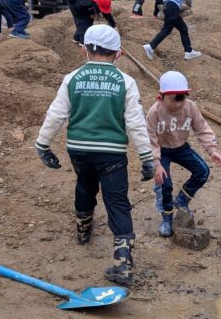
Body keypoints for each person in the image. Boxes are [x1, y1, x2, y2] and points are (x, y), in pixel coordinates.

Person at [34, 25, 155, 285]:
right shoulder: (126, 82)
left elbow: (56, 114)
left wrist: (42, 145)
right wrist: (147, 157)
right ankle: (122, 264)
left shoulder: (72, 78)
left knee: (85, 186)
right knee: (117, 201)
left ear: (84, 50)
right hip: (112, 155)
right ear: (119, 54)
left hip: (79, 150)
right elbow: (135, 122)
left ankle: (83, 231)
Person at [147, 71, 221, 237]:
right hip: (162, 151)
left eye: (181, 98)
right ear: (161, 96)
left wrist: (212, 150)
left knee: (203, 171)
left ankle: (182, 199)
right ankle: (167, 217)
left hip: (181, 147)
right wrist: (156, 164)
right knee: (164, 184)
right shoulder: (154, 112)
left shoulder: (190, 107)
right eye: (173, 99)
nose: (178, 104)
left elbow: (202, 128)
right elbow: (150, 139)